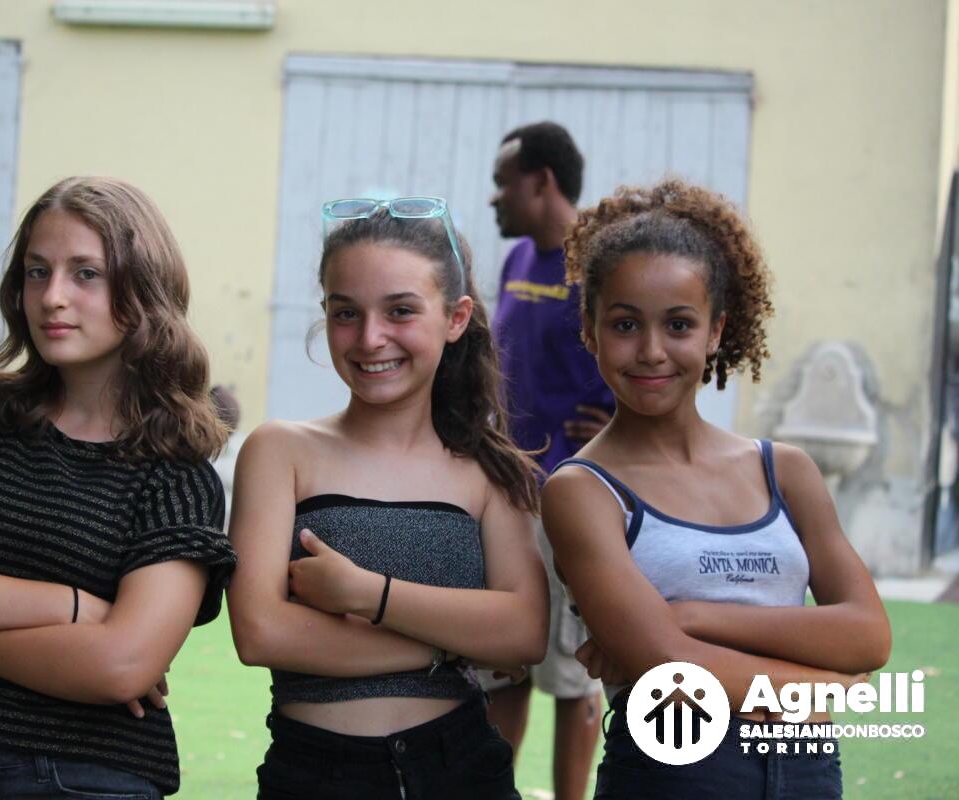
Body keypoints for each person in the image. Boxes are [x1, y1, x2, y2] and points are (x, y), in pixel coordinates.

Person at [0, 176, 236, 800]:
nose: (52, 297)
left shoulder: (175, 475)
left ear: (144, 288)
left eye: (86, 274)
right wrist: (72, 607)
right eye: (37, 272)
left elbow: (121, 666)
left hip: (85, 778)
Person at [543, 179, 891, 798]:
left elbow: (867, 634)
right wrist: (831, 688)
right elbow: (670, 670)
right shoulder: (583, 491)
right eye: (625, 324)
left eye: (679, 324)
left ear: (715, 331)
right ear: (590, 330)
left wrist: (690, 615)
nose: (652, 351)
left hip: (808, 777)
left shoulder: (786, 471)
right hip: (673, 774)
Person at [227, 198, 549, 799]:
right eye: (346, 313)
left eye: (400, 310)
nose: (370, 338)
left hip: (461, 770)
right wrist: (449, 645)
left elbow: (525, 631)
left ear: (455, 318)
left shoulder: (488, 468)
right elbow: (261, 632)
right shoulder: (280, 451)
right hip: (315, 776)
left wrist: (367, 594)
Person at [487, 121, 611, 799]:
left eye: (502, 183)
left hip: (568, 499)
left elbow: (640, 358)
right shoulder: (516, 262)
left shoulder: (597, 266)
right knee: (502, 663)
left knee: (571, 674)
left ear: (541, 183)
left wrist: (619, 424)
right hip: (506, 495)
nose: (494, 197)